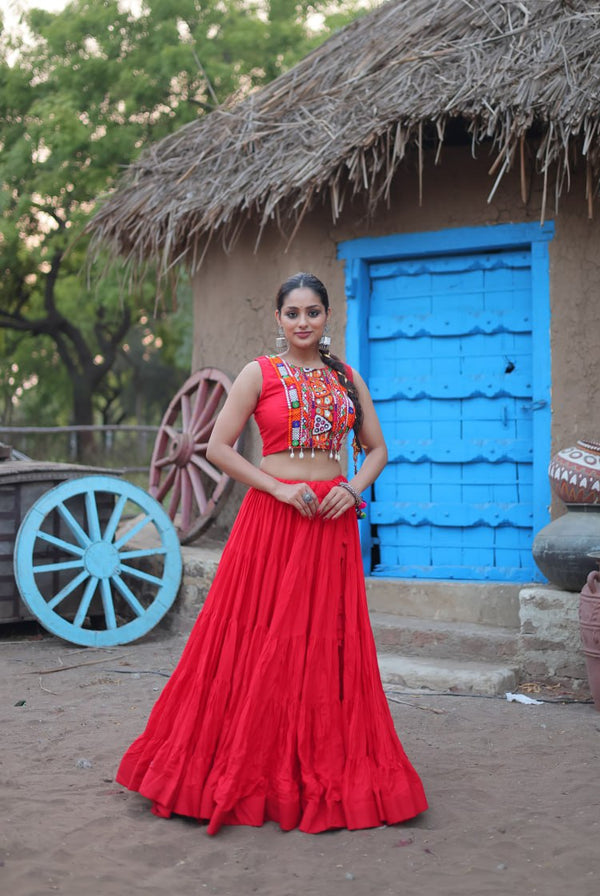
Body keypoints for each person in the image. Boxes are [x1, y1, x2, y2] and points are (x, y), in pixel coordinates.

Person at [116, 272, 428, 835]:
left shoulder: (347, 378)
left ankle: (316, 763)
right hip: (273, 520)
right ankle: (240, 763)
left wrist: (351, 490)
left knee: (323, 644)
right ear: (278, 319)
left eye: (313, 312)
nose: (303, 323)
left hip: (330, 523)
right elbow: (217, 447)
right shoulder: (258, 374)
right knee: (256, 639)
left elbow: (378, 449)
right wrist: (279, 488)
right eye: (292, 314)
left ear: (327, 316)